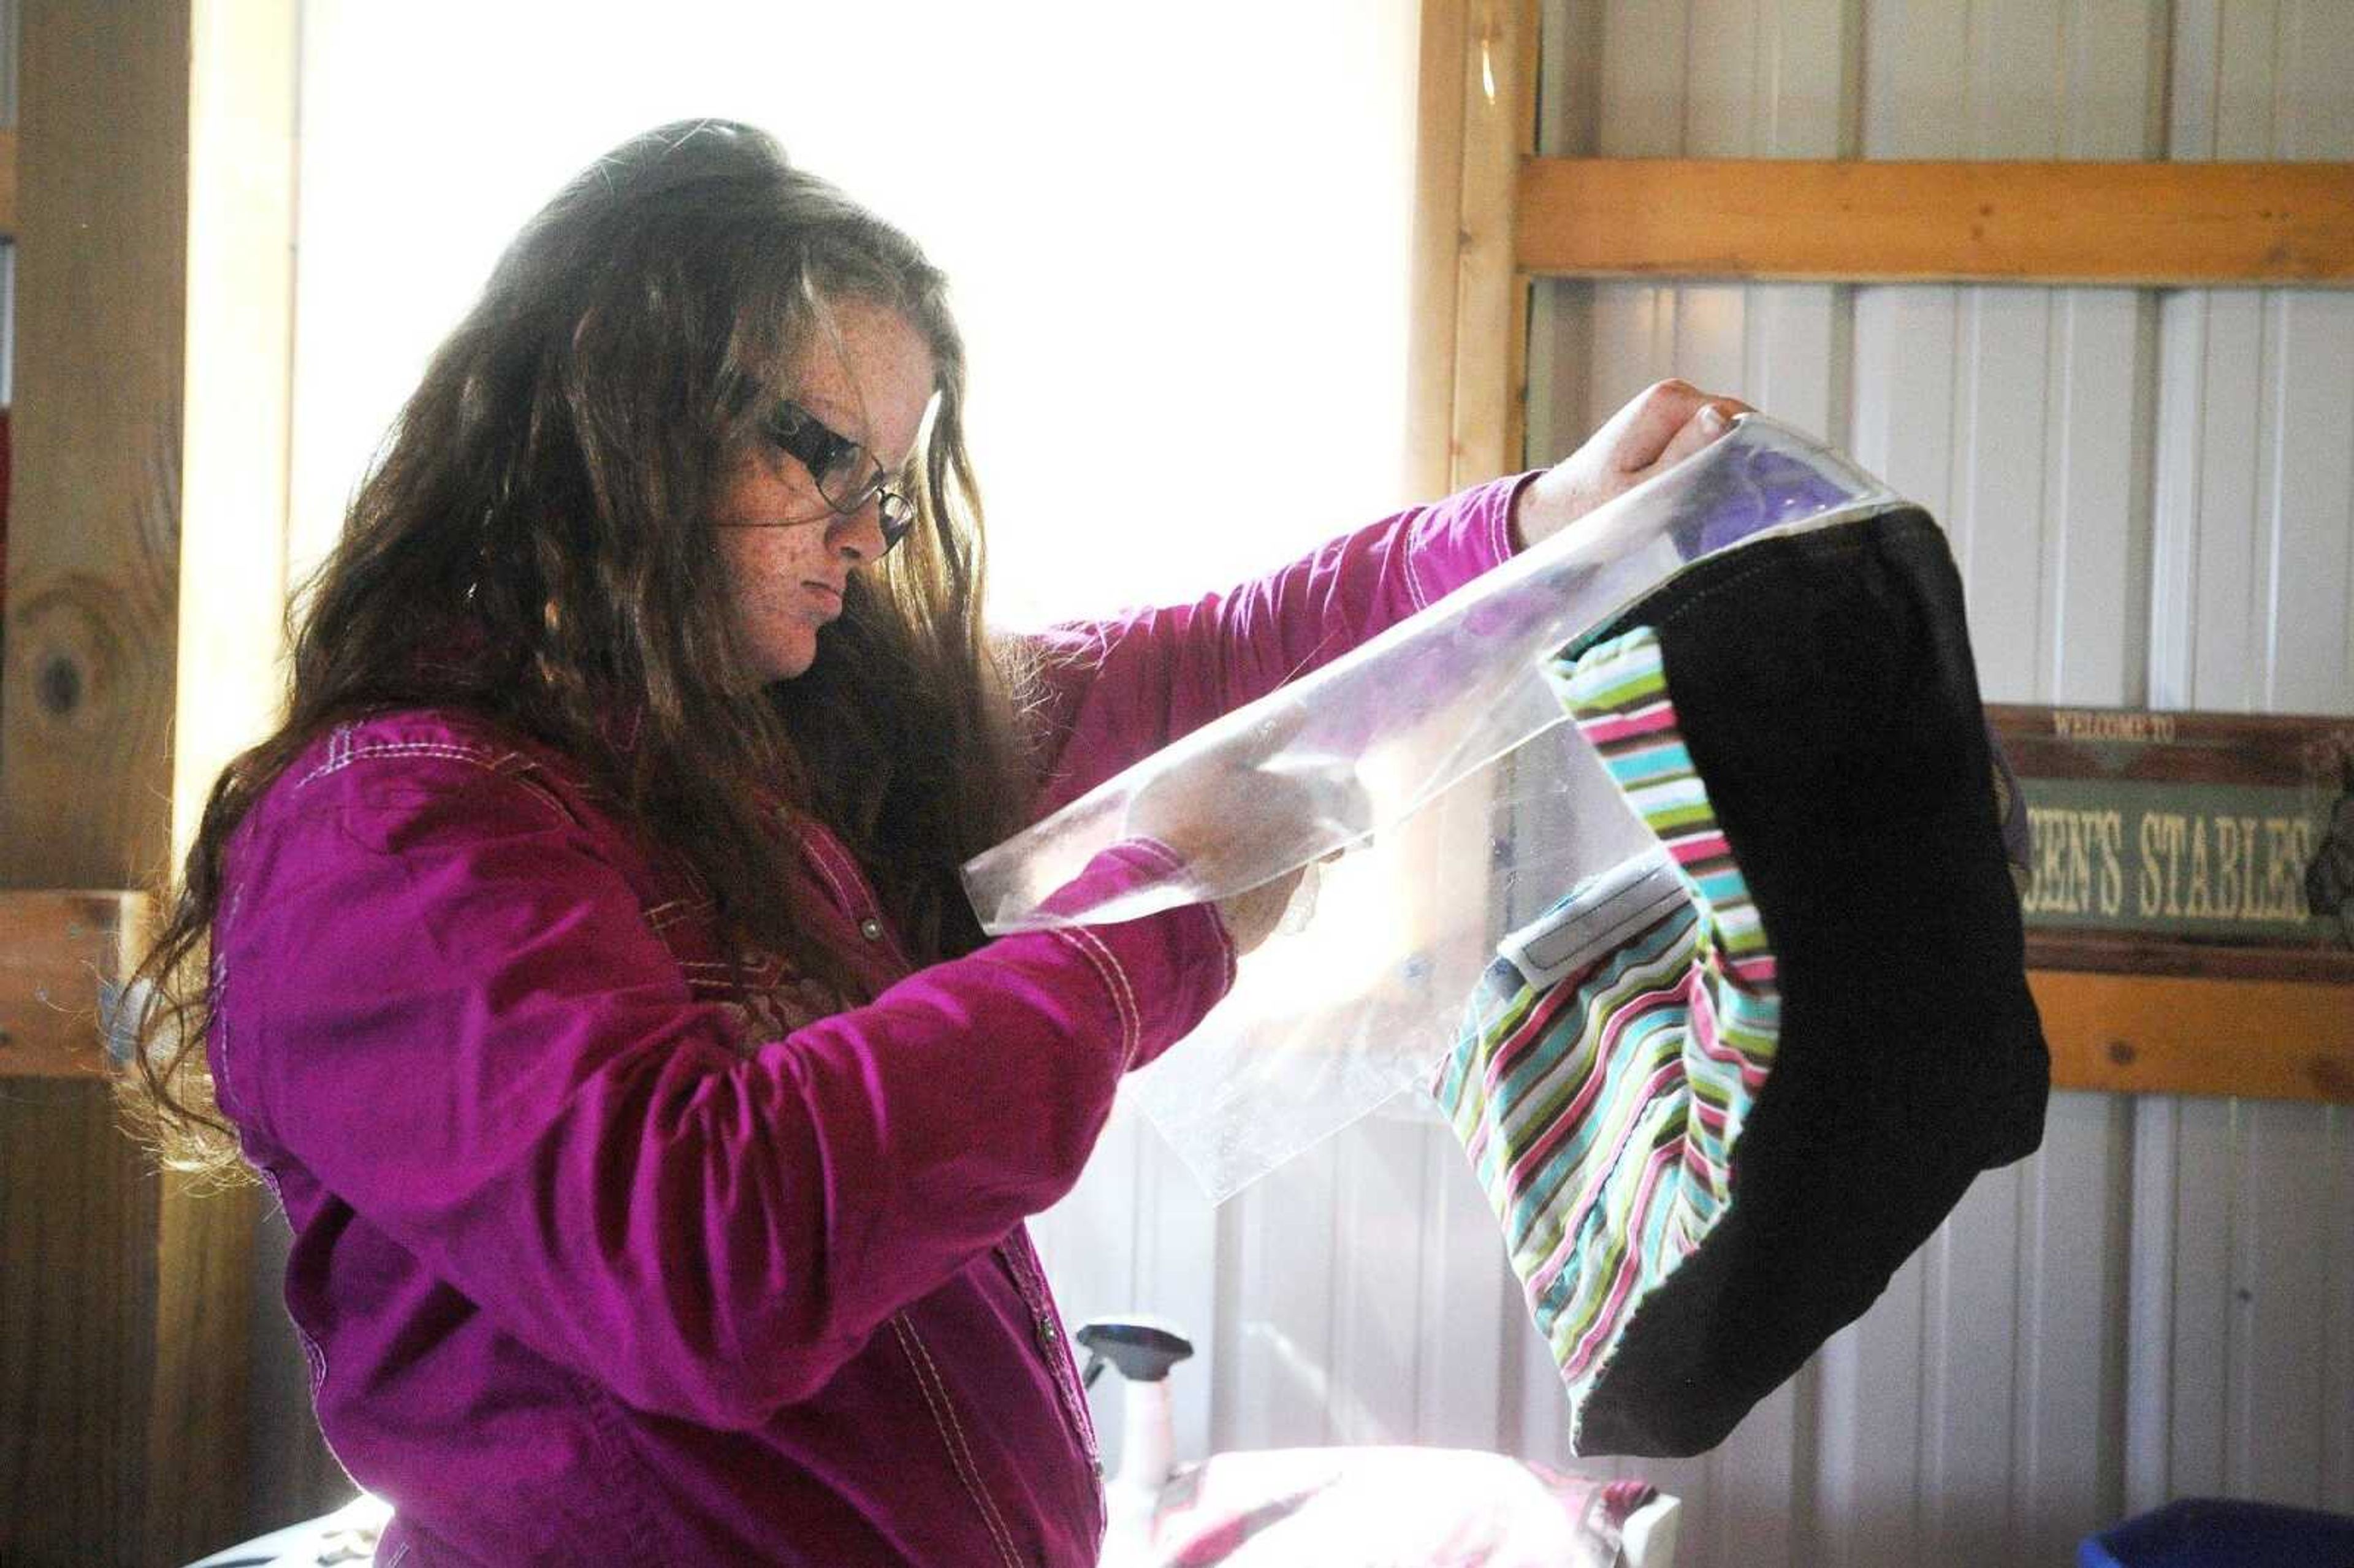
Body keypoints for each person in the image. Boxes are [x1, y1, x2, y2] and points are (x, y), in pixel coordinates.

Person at [126, 120, 1747, 1567]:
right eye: (820, 453)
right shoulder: (390, 835)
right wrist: (1150, 938)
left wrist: (1528, 531)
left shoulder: (750, 743)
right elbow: (711, 1252)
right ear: (611, 413)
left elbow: (1177, 668)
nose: (864, 533)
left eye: (888, 485)